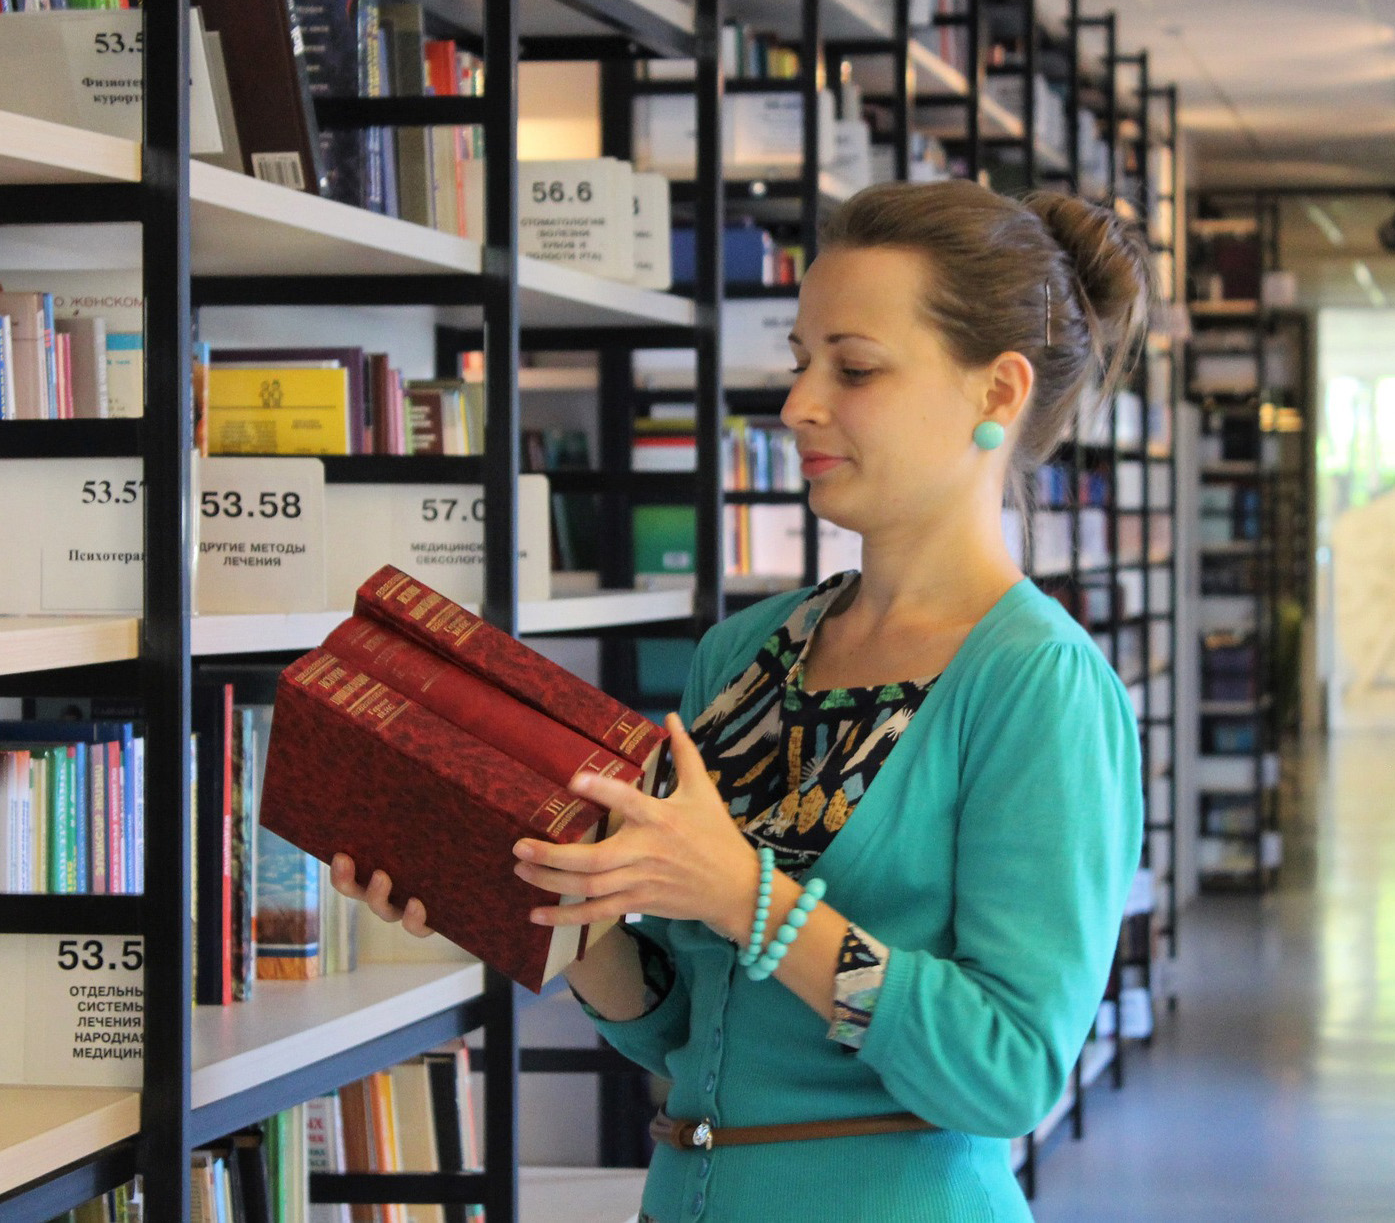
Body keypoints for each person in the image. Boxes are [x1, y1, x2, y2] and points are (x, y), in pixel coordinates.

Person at [331, 179, 1149, 1223]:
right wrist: (533, 896)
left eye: (853, 369)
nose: (798, 405)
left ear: (996, 393)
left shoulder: (1038, 685)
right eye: (802, 363)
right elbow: (672, 1025)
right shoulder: (744, 656)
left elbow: (1007, 1072)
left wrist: (745, 897)